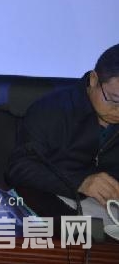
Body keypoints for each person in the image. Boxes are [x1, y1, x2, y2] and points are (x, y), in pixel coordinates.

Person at [7, 44, 119, 205]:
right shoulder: (50, 110)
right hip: (52, 202)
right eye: (114, 99)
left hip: (110, 207)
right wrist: (80, 182)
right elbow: (20, 168)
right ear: (94, 80)